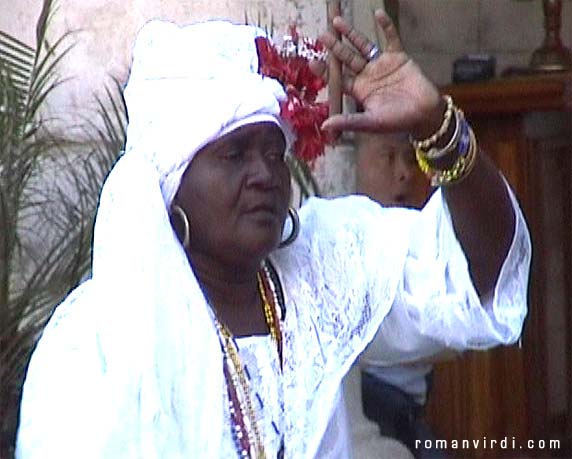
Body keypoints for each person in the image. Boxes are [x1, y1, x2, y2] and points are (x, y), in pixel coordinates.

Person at [15, 10, 530, 459]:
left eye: (272, 152)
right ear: (170, 185)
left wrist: (438, 129)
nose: (264, 174)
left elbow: (478, 274)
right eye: (234, 154)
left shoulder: (322, 265)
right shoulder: (94, 340)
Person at [355, 131, 445, 459]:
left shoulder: (423, 238)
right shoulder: (338, 245)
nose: (405, 172)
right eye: (388, 157)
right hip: (372, 412)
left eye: (410, 158)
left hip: (410, 417)